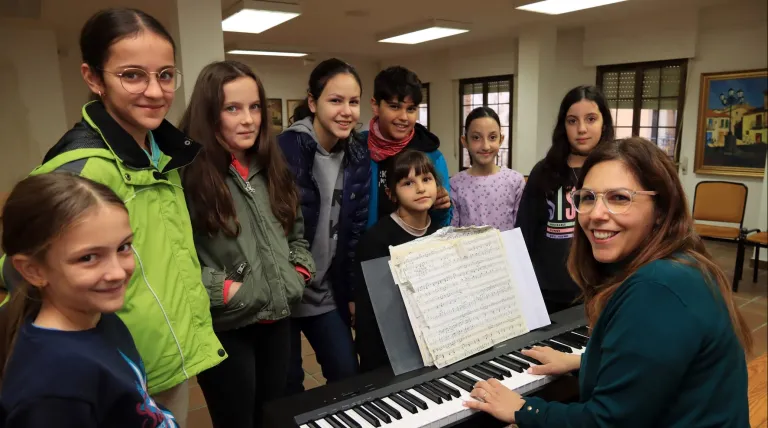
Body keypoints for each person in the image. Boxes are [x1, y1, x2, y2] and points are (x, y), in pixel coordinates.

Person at [0, 8, 225, 425]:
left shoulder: (161, 153)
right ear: (93, 78)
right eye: (133, 75)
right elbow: (18, 266)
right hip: (107, 367)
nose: (156, 92)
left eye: (166, 75)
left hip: (150, 359)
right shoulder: (81, 167)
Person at [464, 137, 752, 427]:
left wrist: (523, 410)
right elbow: (649, 367)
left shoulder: (658, 287)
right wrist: (581, 361)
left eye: (619, 198)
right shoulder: (682, 263)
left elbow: (607, 422)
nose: (596, 214)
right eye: (588, 198)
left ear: (661, 208)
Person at [179, 61, 315, 427]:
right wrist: (226, 291)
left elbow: (296, 231)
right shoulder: (185, 174)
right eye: (232, 108)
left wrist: (297, 272)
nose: (249, 120)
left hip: (276, 318)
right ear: (210, 114)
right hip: (227, 324)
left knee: (272, 414)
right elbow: (178, 259)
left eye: (255, 107)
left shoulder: (271, 163)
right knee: (237, 420)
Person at [0, 173, 178, 427]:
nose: (117, 272)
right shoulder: (53, 389)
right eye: (88, 258)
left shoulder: (98, 317)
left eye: (123, 247)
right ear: (33, 271)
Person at [277, 58, 369, 394]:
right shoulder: (284, 150)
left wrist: (352, 292)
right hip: (283, 294)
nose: (346, 111)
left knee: (347, 377)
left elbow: (353, 233)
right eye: (335, 100)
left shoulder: (359, 155)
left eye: (353, 101)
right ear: (313, 103)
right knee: (288, 387)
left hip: (326, 292)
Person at [514, 85, 615, 313]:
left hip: (597, 291)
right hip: (546, 293)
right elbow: (524, 232)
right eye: (572, 121)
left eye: (591, 119)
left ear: (604, 123)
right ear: (563, 126)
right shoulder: (544, 171)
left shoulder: (615, 172)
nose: (581, 129)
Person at [355, 150, 442, 372]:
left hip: (431, 341)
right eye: (408, 183)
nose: (421, 188)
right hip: (388, 350)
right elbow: (373, 314)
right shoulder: (376, 240)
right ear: (391, 193)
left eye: (426, 179)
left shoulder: (439, 233)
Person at [362, 66, 452, 228]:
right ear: (375, 106)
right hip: (368, 250)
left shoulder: (432, 156)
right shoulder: (357, 149)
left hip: (416, 250)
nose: (403, 117)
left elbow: (442, 225)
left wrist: (442, 208)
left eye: (411, 109)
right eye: (394, 107)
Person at [450, 107, 525, 230]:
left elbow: (521, 229)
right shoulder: (455, 184)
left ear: (501, 139)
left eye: (492, 137)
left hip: (507, 249)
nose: (485, 146)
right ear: (465, 141)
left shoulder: (515, 181)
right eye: (476, 138)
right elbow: (452, 231)